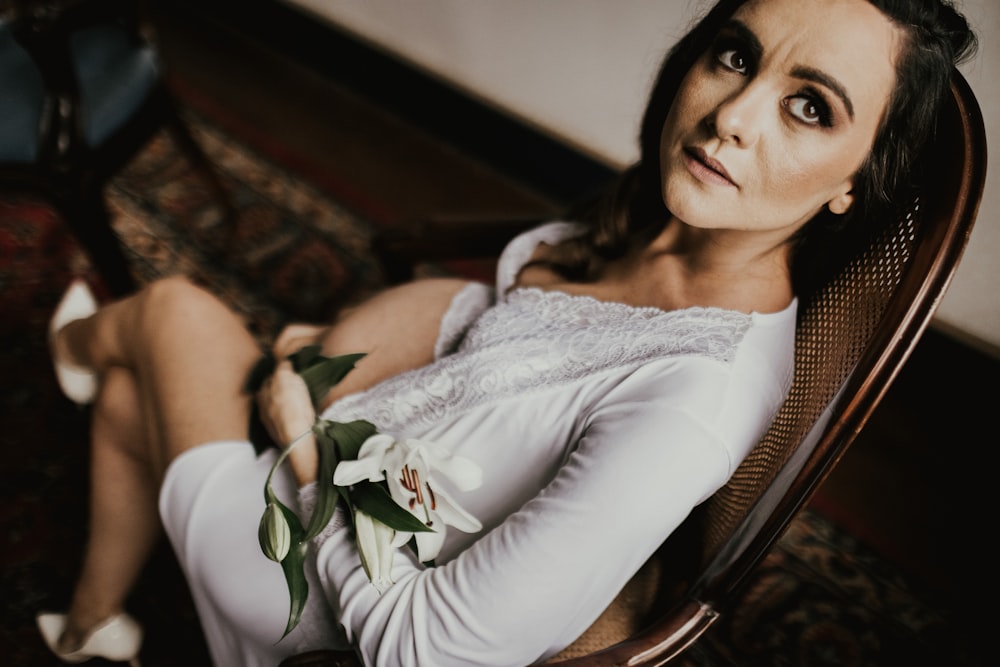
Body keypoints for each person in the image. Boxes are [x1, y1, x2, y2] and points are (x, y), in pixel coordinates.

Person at [36, 0, 975, 665]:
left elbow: (424, 650)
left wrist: (300, 438)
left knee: (167, 315)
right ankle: (92, 627)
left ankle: (75, 348)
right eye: (735, 54)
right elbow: (509, 333)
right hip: (377, 481)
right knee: (132, 399)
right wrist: (356, 344)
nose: (731, 115)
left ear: (856, 180)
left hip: (304, 570)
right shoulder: (658, 230)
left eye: (810, 107)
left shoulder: (693, 402)